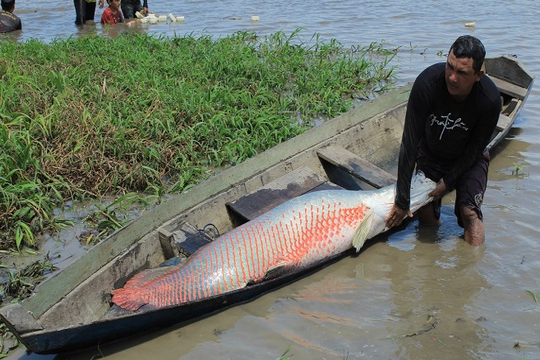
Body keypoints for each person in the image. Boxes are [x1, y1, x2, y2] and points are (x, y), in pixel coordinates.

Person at [385, 35, 501, 246]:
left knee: (469, 213)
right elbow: (410, 143)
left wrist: (447, 183)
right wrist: (402, 200)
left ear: (478, 75)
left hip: (468, 158)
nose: (452, 77)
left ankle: (470, 271)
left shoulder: (490, 100)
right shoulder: (427, 84)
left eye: (462, 73)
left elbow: (476, 150)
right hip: (431, 152)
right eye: (450, 67)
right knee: (425, 212)